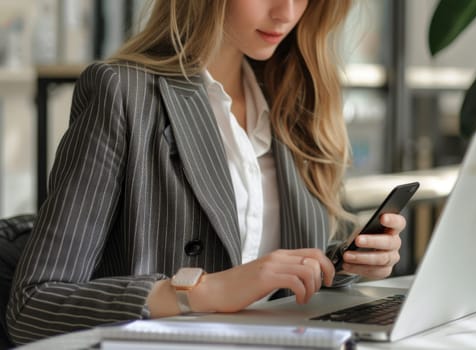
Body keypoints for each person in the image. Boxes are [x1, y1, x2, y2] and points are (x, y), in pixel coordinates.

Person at [6, 0, 405, 345]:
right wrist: (205, 291)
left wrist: (345, 263)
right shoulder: (124, 94)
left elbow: (284, 282)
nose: (286, 12)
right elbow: (32, 307)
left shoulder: (297, 105)